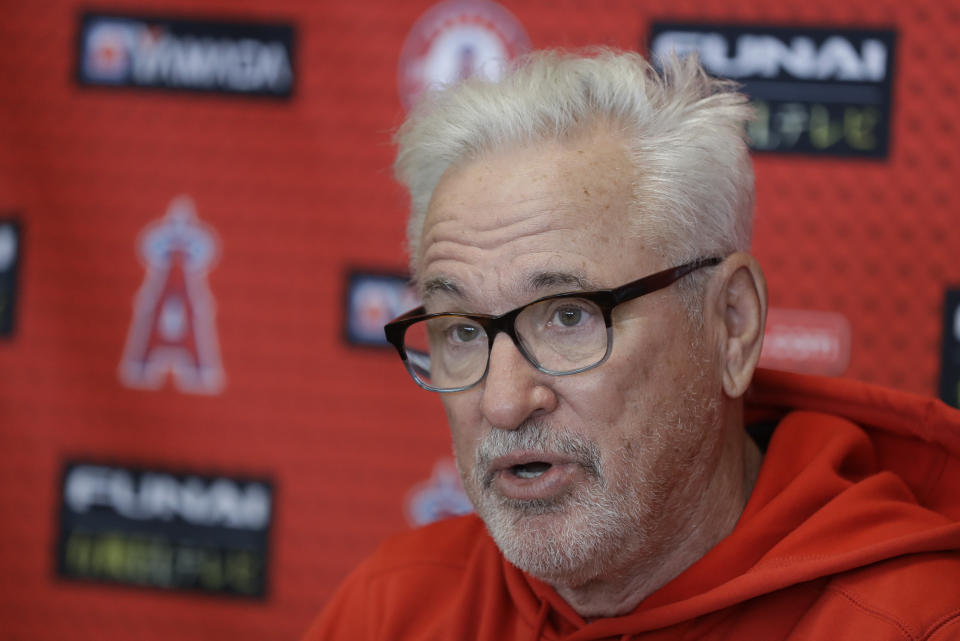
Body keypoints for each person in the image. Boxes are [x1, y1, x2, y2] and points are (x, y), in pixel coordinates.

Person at [304, 49, 960, 640]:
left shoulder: (914, 622)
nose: (503, 402)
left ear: (731, 325)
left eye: (568, 317)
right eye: (465, 330)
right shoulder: (393, 608)